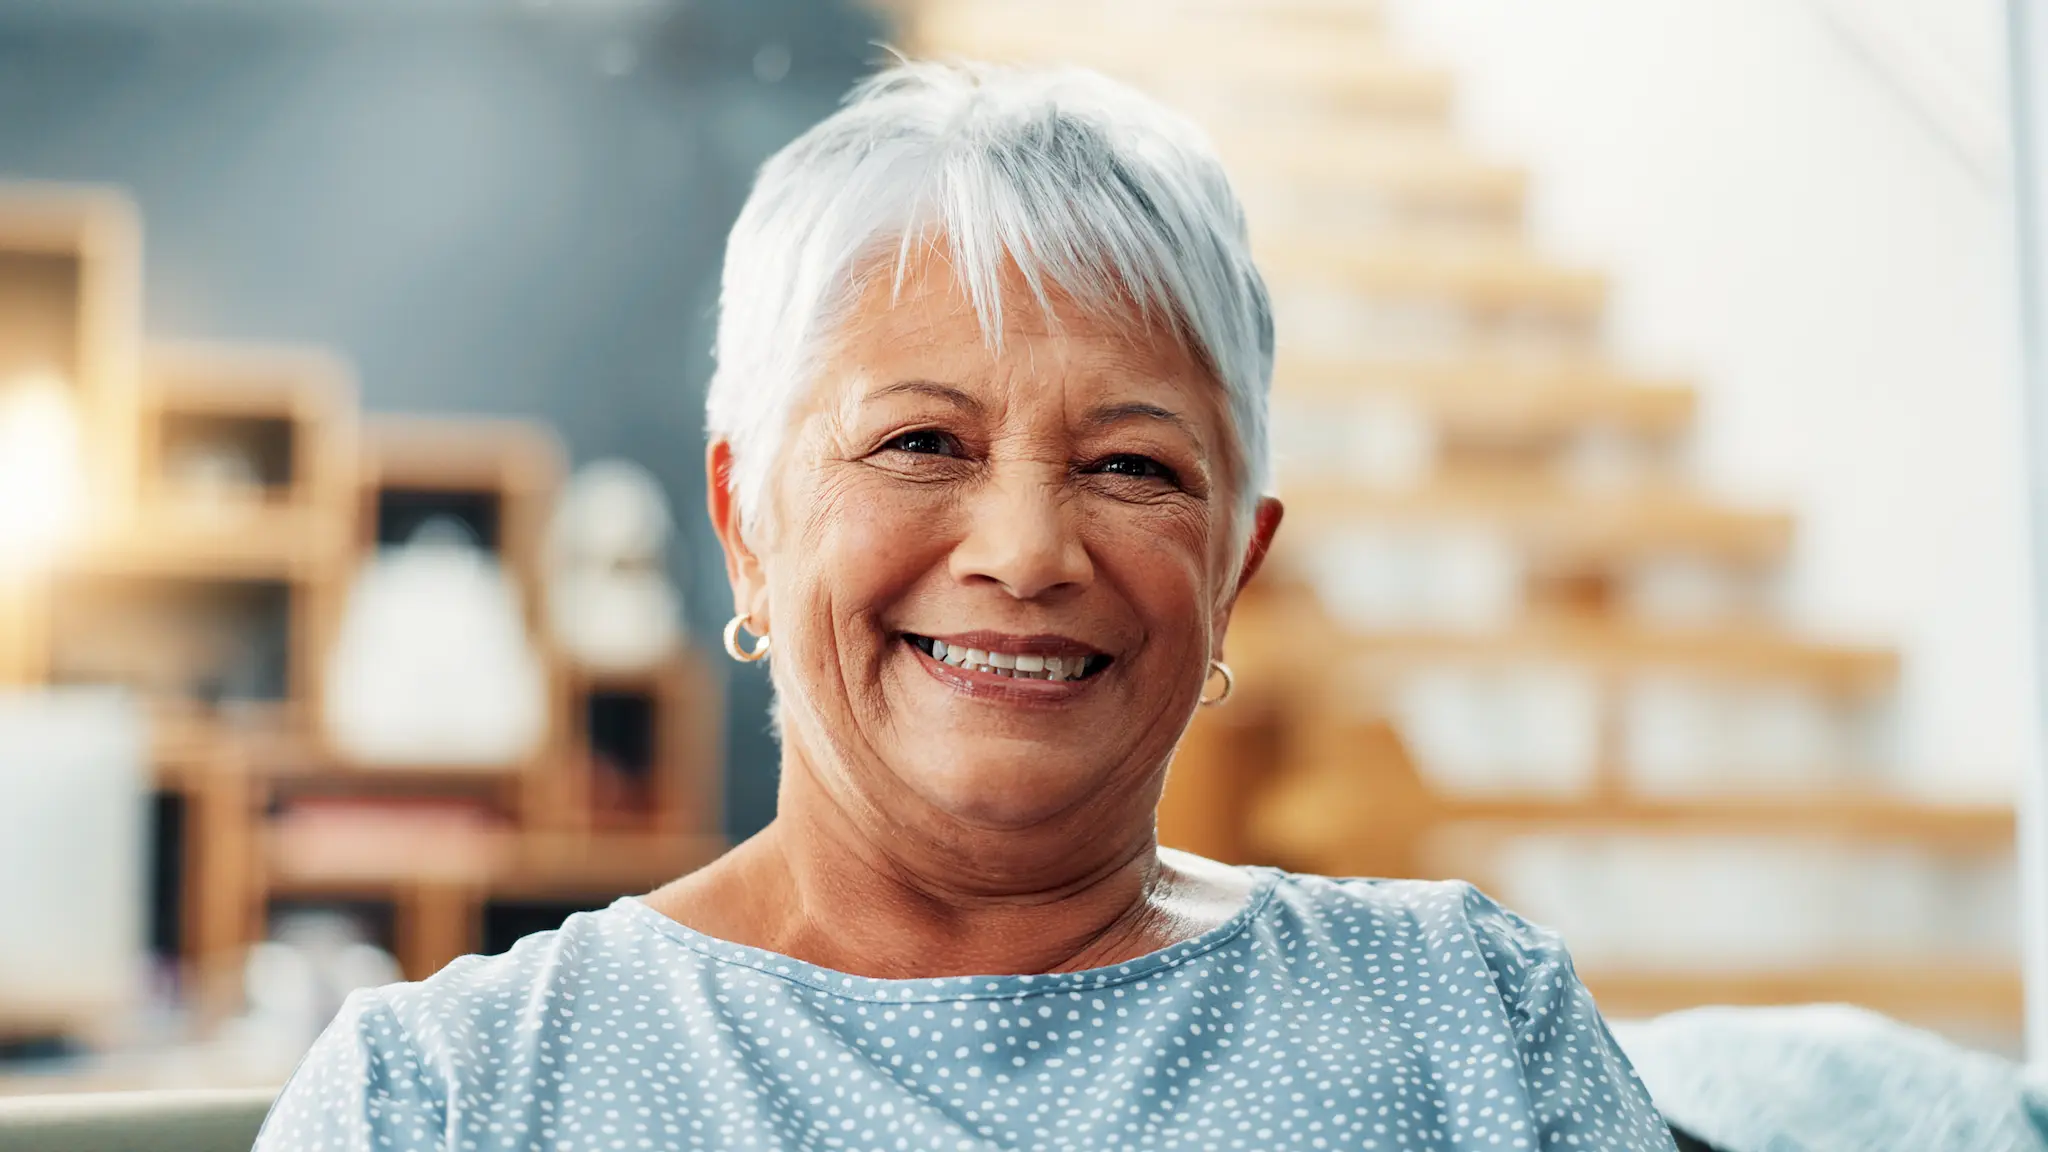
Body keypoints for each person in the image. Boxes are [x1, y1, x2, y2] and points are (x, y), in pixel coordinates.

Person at [255, 60, 1677, 1151]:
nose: (1025, 549)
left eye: (1132, 465)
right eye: (922, 443)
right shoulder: (446, 1098)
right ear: (745, 523)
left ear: (1237, 567)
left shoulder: (1470, 1014)